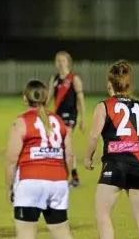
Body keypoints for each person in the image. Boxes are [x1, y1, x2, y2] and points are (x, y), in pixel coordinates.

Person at [84, 60, 139, 239]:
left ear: (110, 86)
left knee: (103, 215)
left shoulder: (104, 106)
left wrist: (88, 158)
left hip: (115, 165)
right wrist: (138, 147)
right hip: (138, 164)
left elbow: (93, 136)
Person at [5, 80, 74, 239]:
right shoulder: (58, 121)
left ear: (25, 99)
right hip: (58, 182)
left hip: (30, 182)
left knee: (26, 234)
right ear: (46, 98)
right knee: (62, 233)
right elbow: (69, 155)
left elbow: (11, 159)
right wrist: (64, 178)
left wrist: (9, 187)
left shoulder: (21, 122)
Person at [46, 51, 86, 187]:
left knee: (66, 143)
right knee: (60, 145)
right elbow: (49, 97)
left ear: (68, 62)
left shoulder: (74, 78)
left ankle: (74, 177)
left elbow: (81, 101)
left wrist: (83, 120)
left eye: (63, 60)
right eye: (58, 61)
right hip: (57, 116)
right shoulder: (55, 79)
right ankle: (66, 174)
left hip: (70, 116)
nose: (60, 63)